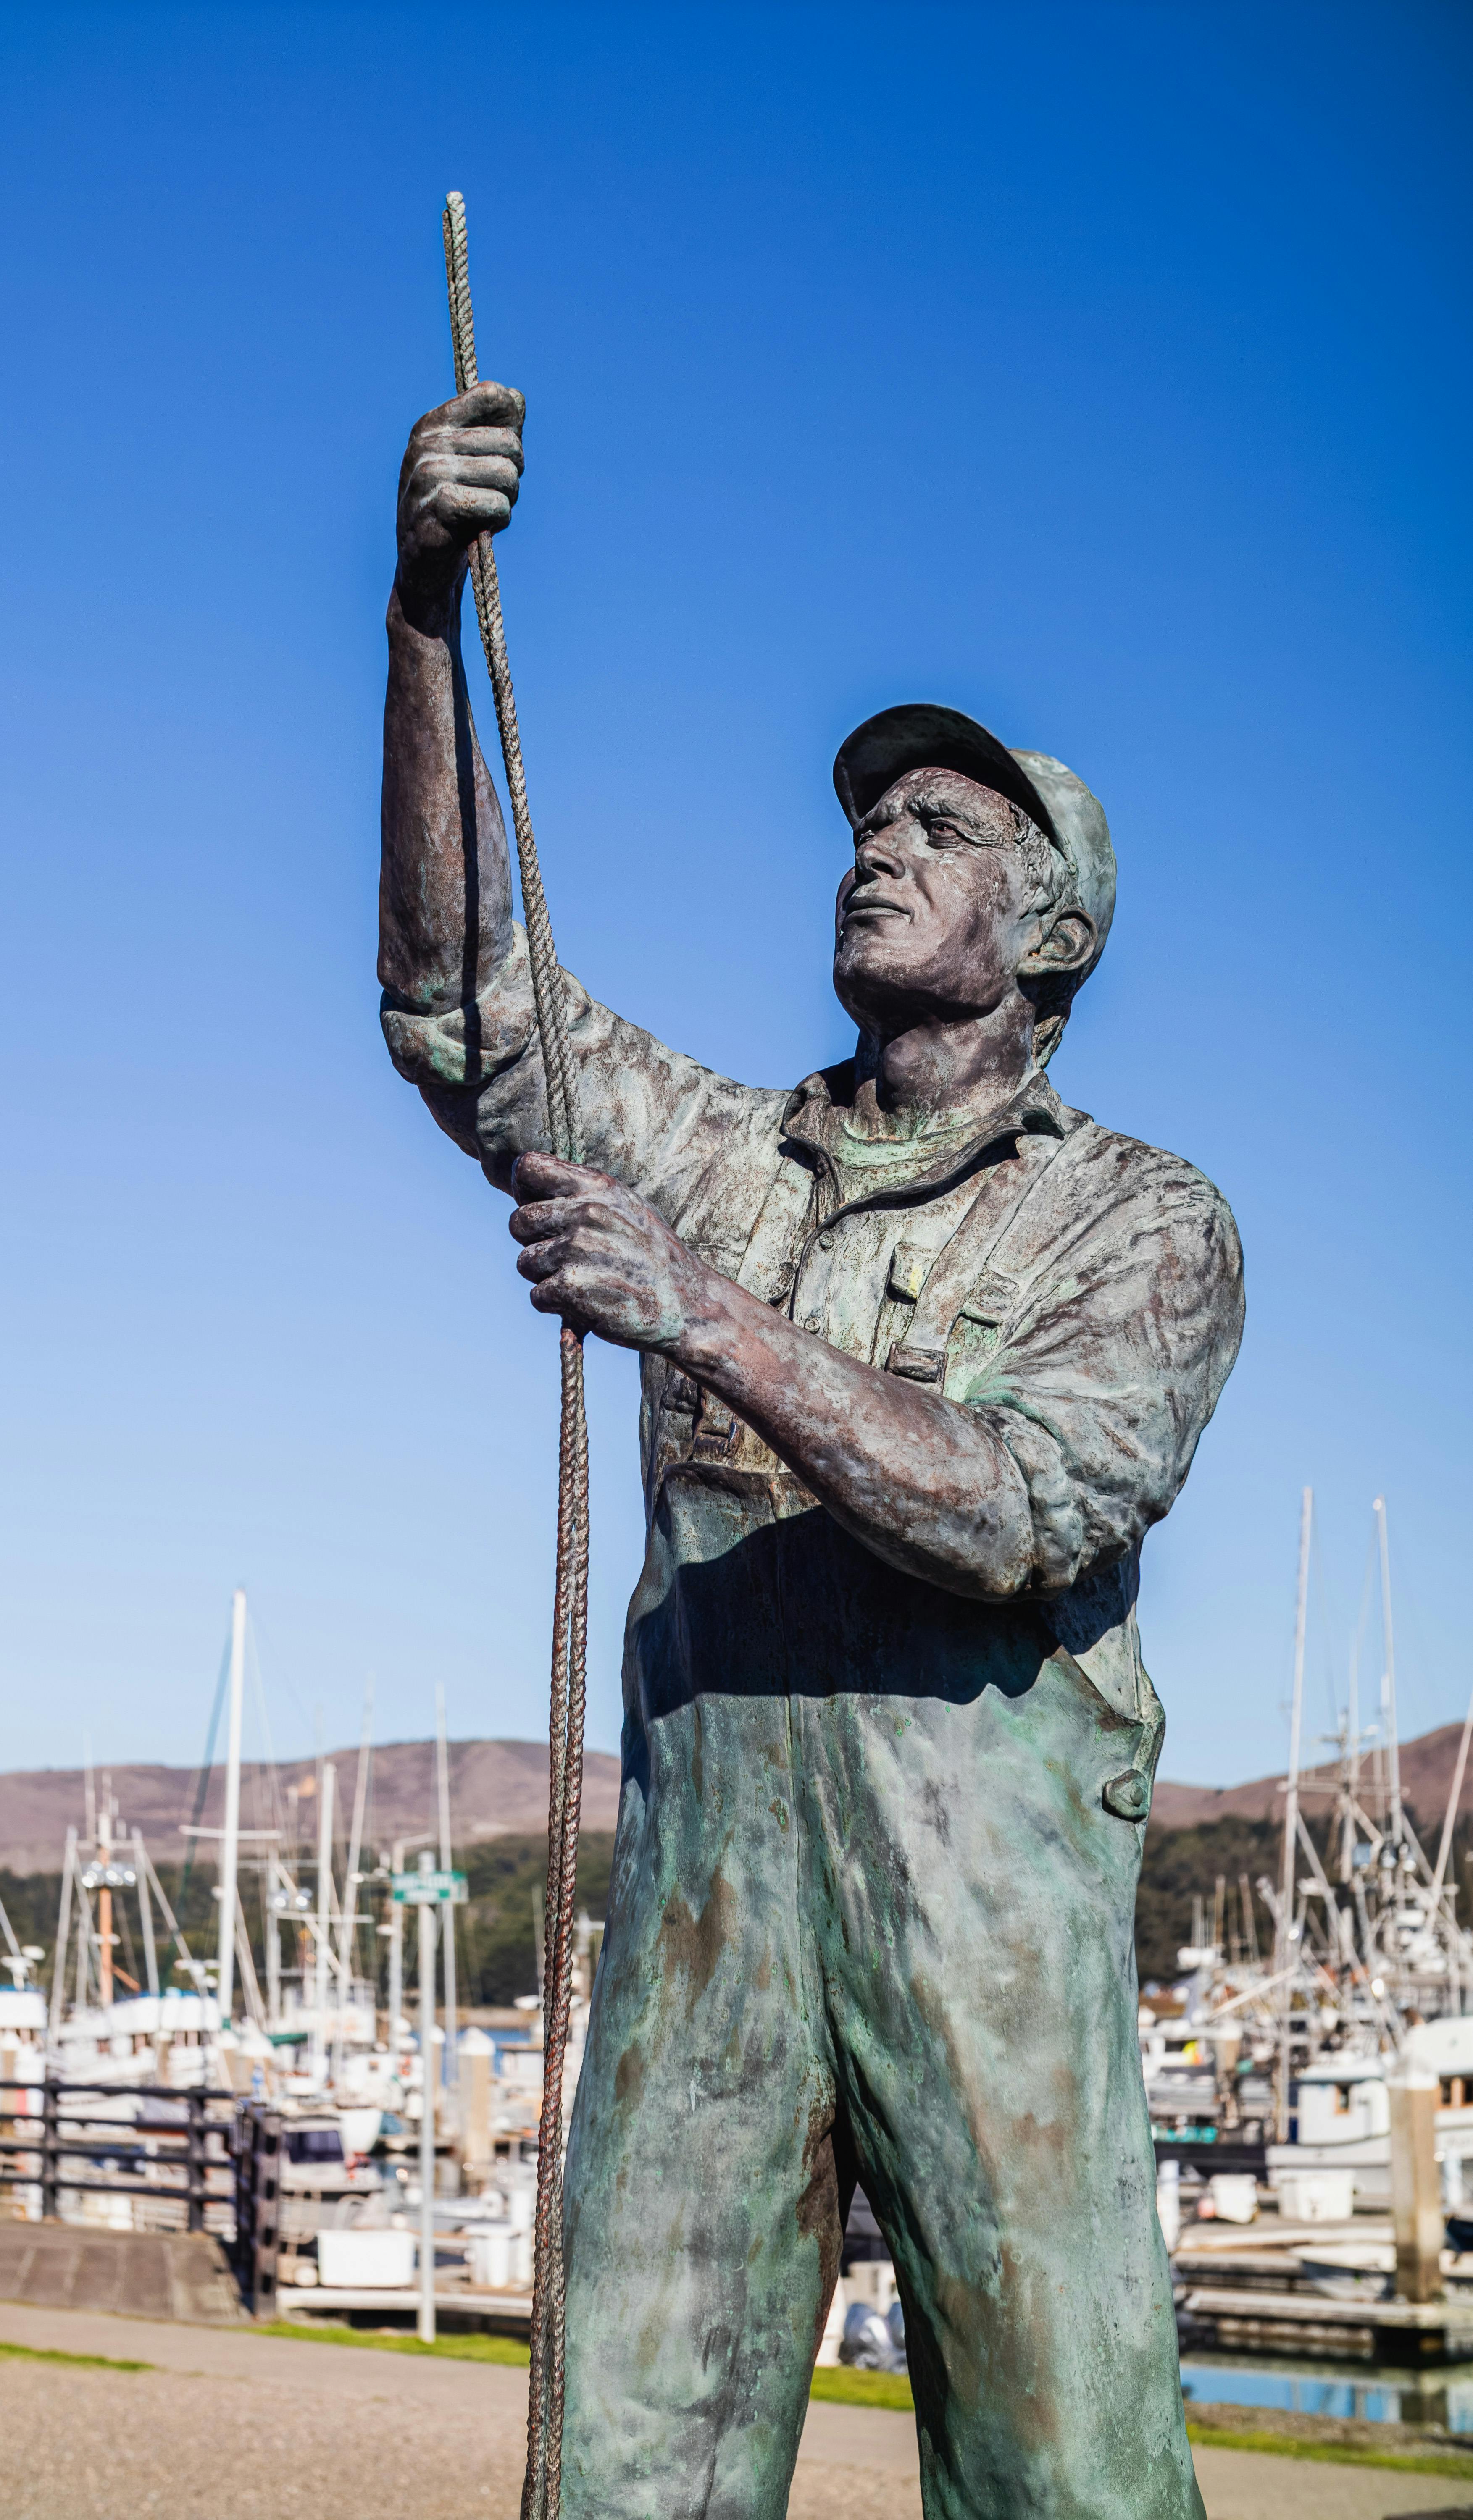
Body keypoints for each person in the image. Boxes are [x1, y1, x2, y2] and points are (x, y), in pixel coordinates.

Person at [380, 379, 1243, 2520]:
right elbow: (461, 1006)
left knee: (1071, 2482)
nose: (877, 845)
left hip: (988, 1953)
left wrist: (709, 1320)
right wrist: (419, 617)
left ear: (1049, 935)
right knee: (633, 2476)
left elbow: (1023, 1505)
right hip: (708, 1939)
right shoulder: (717, 1153)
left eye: (943, 832)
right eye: (872, 822)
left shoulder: (1140, 1220)